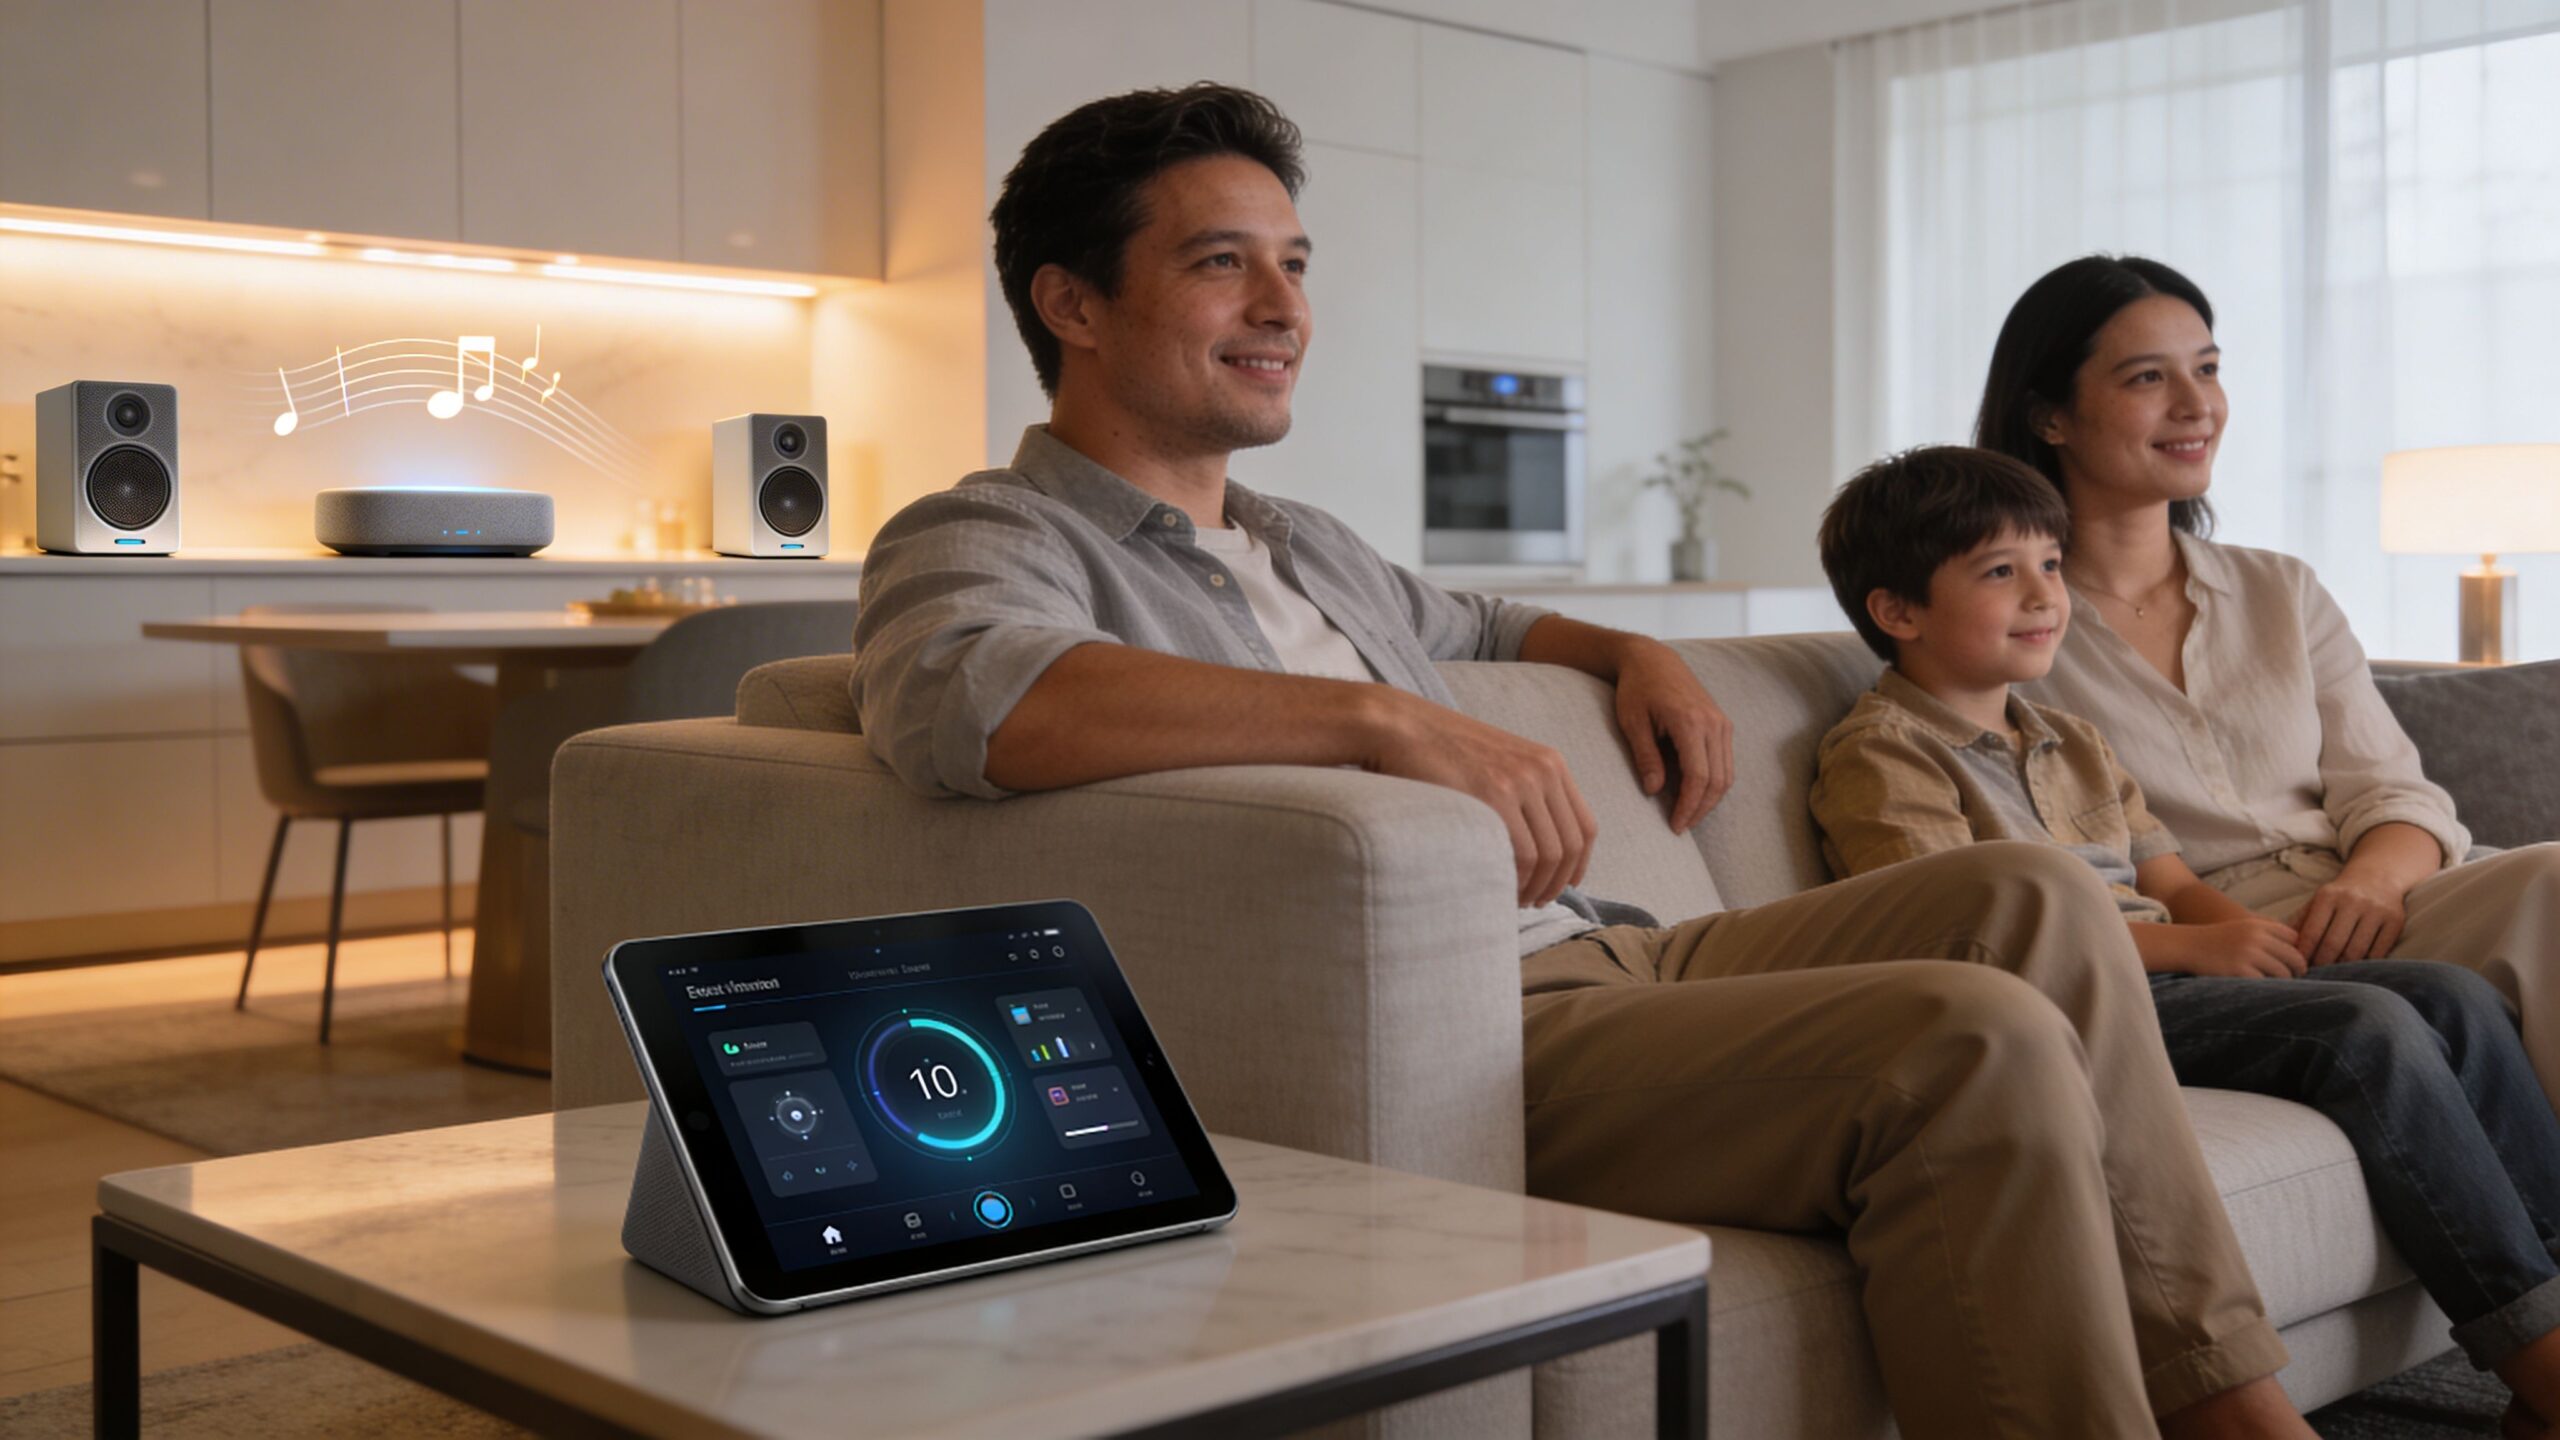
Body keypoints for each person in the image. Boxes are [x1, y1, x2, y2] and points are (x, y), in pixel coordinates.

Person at [852, 83, 2309, 1439]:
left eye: (1296, 263)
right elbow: (969, 698)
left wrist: (1634, 651)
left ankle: (2237, 1406)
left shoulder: (1305, 544)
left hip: (1612, 952)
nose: (1286, 306)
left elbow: (1487, 616)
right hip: (1458, 1031)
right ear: (1071, 302)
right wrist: (1387, 721)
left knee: (2032, 896)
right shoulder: (989, 533)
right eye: (1223, 263)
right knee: (1967, 1036)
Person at [1811, 445, 2560, 1438]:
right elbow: (1955, 944)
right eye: (2000, 572)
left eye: (2047, 564)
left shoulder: (2071, 741)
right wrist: (2191, 955)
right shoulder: (1879, 756)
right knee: (2363, 1029)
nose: (2043, 595)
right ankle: (2540, 1362)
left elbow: (2167, 883)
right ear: (1898, 611)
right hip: (2076, 1010)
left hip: (2170, 975)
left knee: (2446, 994)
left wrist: (2253, 938)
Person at [1970, 254, 2560, 1120]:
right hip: (2210, 932)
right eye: (2148, 377)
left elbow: (2392, 787)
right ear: (2049, 415)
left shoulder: (2280, 588)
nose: (2197, 404)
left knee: (2550, 874)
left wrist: (2372, 884)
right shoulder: (2008, 627)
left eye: (2207, 369)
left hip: (2376, 897)